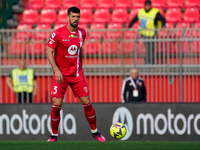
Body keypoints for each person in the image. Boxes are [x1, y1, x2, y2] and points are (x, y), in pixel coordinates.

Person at [46, 7, 106, 142]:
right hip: (61, 74)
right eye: (73, 16)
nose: (75, 19)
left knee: (87, 102)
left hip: (77, 74)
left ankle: (95, 132)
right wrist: (56, 69)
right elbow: (49, 51)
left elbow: (79, 51)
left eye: (77, 17)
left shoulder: (82, 33)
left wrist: (80, 68)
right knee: (56, 104)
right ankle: (54, 135)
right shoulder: (58, 33)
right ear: (67, 17)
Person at [128, 0, 166, 64]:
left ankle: (148, 61)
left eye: (149, 5)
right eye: (146, 5)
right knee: (149, 48)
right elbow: (134, 19)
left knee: (151, 48)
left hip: (152, 34)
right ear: (145, 5)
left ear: (150, 5)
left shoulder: (155, 12)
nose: (147, 7)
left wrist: (162, 26)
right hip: (144, 33)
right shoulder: (141, 12)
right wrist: (129, 27)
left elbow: (163, 19)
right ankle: (150, 62)